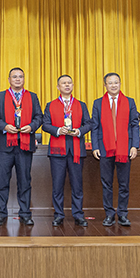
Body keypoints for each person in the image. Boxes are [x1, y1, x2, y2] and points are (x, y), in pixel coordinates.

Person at [0, 67, 43, 226]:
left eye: (20, 76)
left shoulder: (32, 96)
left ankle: (25, 213)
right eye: (14, 76)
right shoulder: (0, 96)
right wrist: (5, 126)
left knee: (24, 182)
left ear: (24, 79)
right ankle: (0, 214)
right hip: (5, 146)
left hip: (25, 146)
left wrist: (32, 126)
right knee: (1, 182)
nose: (18, 79)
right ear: (9, 79)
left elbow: (39, 117)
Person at [42, 75, 93, 227]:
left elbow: (89, 123)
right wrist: (58, 130)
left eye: (69, 83)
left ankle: (78, 214)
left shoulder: (81, 105)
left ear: (72, 85)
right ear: (58, 87)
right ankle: (58, 215)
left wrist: (79, 131)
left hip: (76, 150)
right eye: (63, 83)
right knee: (57, 185)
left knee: (77, 185)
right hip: (57, 151)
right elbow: (45, 125)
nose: (67, 85)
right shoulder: (50, 105)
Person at [91, 73, 139, 227]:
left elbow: (134, 125)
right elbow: (95, 126)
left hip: (125, 148)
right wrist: (95, 146)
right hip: (105, 148)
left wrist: (134, 145)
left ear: (120, 84)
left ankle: (123, 214)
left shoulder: (129, 102)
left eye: (116, 82)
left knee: (124, 183)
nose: (113, 85)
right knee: (107, 183)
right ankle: (109, 214)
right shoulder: (98, 103)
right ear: (105, 85)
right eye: (110, 83)